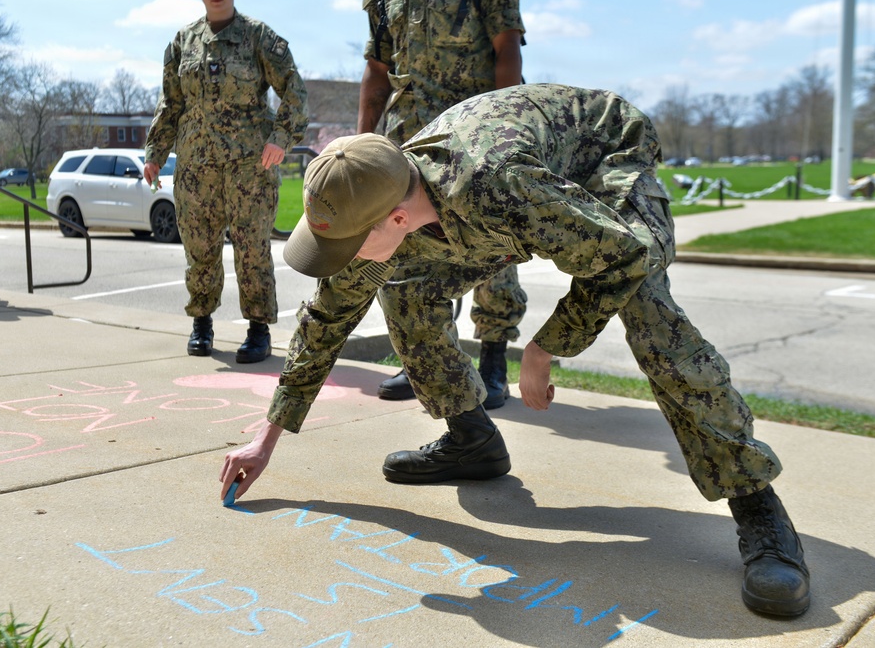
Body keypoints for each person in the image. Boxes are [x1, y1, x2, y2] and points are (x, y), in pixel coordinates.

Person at [220, 84, 811, 618]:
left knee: (649, 311)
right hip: (491, 201)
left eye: (347, 246)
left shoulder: (499, 186)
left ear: (396, 218)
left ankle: (759, 509)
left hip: (603, 163)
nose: (341, 260)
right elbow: (326, 321)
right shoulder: (378, 200)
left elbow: (623, 255)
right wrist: (265, 438)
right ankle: (470, 439)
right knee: (403, 291)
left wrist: (546, 346)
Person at [358, 0, 527, 408]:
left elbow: (506, 48)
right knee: (410, 250)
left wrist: (504, 128)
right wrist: (361, 145)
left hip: (472, 133)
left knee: (493, 245)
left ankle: (492, 360)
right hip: (408, 135)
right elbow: (378, 69)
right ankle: (426, 361)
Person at [144, 0, 308, 360]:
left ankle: (258, 329)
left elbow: (295, 91)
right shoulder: (183, 42)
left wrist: (280, 137)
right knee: (199, 247)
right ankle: (201, 322)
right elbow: (170, 104)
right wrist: (155, 153)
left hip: (249, 167)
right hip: (196, 167)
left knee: (251, 248)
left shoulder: (258, 37)